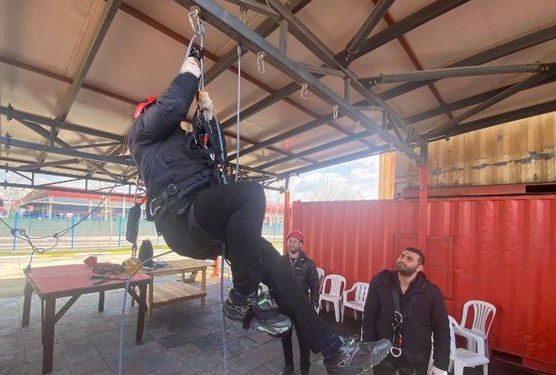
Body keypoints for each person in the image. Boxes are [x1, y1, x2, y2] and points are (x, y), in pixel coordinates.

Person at [130, 51, 391, 374]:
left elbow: (217, 161)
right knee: (250, 194)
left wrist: (210, 120)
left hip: (203, 218)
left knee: (279, 269)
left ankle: (332, 351)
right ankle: (243, 295)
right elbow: (171, 105)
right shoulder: (142, 132)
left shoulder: (181, 143)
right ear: (147, 112)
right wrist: (190, 69)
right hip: (182, 218)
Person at [362, 247, 450, 375]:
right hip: (383, 354)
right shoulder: (380, 282)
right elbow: (369, 317)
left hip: (416, 357)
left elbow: (441, 330)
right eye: (402, 256)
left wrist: (440, 365)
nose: (403, 260)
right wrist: (368, 348)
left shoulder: (432, 292)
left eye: (409, 259)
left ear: (419, 268)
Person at [279, 229, 320, 375]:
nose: (292, 243)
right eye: (290, 240)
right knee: (285, 338)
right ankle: (288, 366)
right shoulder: (281, 262)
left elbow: (315, 285)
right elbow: (276, 283)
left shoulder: (308, 264)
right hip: (285, 307)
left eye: (295, 241)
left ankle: (305, 369)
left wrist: (314, 304)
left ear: (301, 244)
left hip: (302, 309)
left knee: (304, 340)